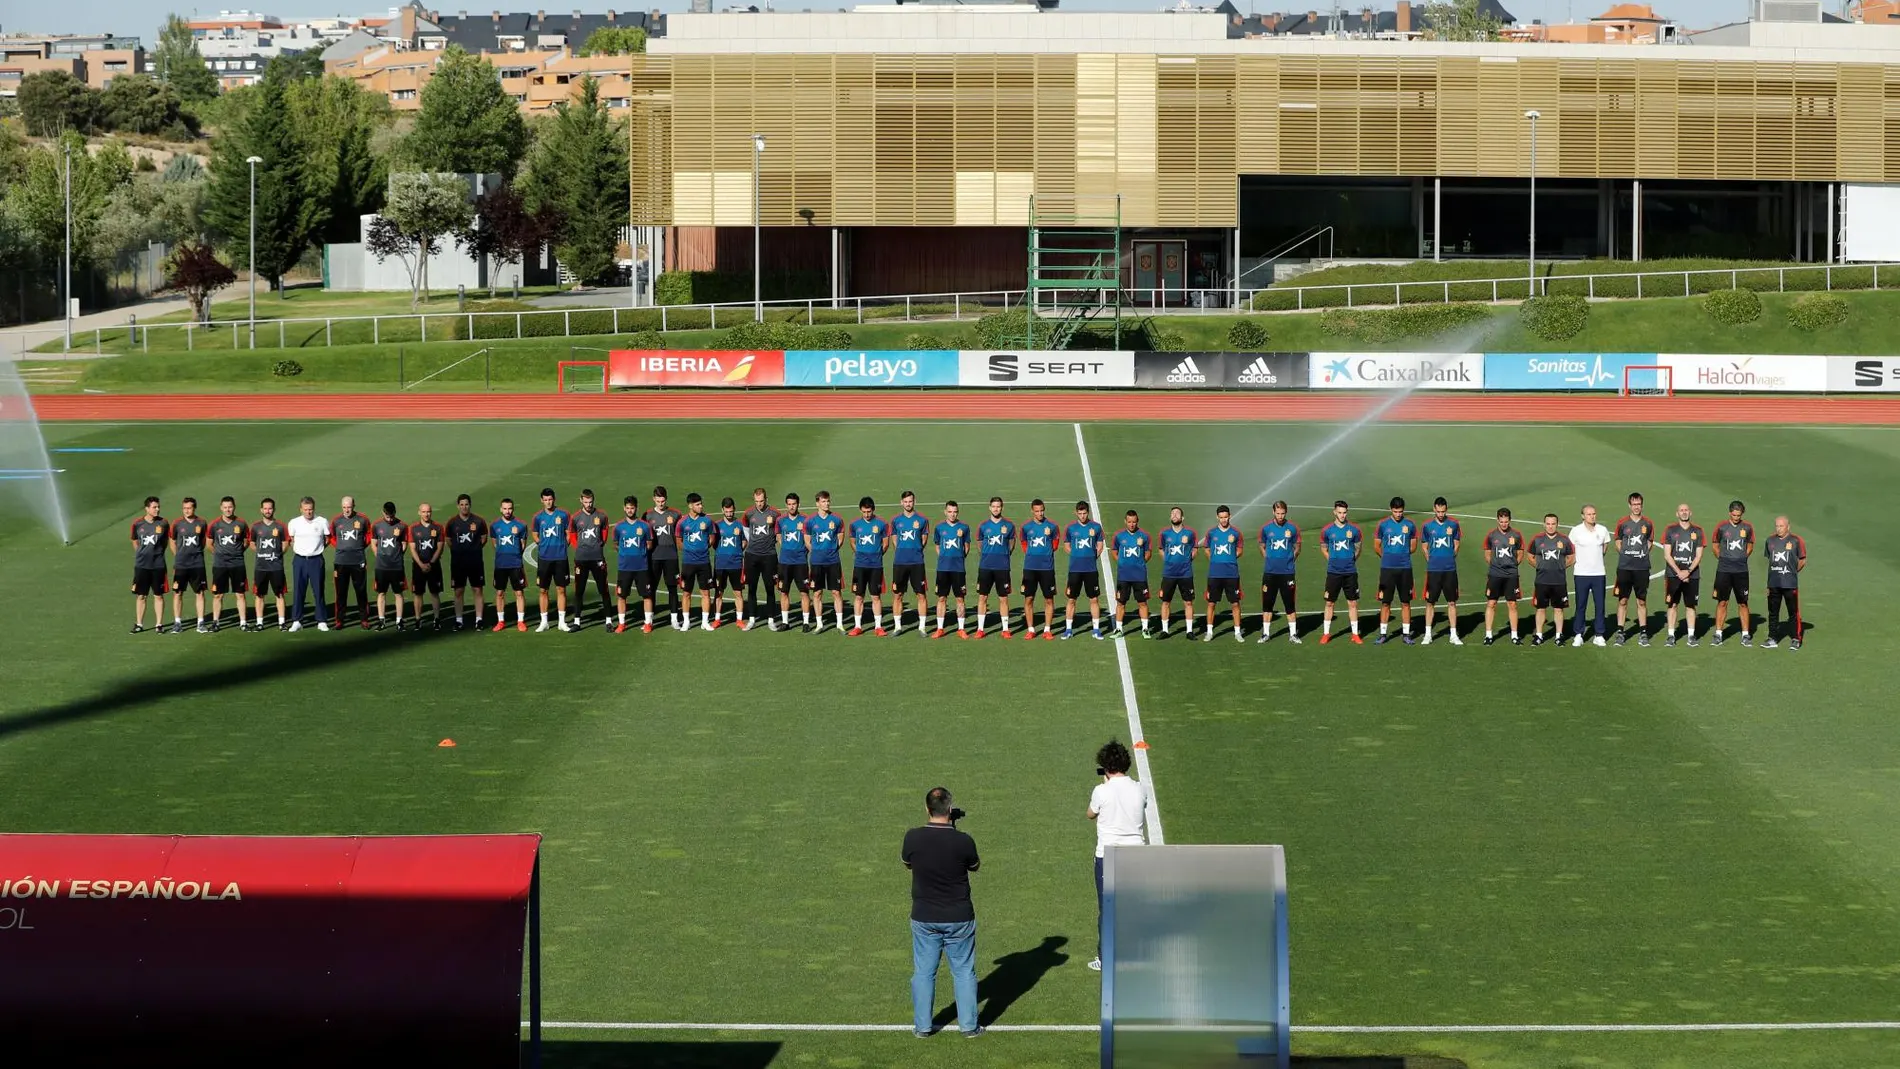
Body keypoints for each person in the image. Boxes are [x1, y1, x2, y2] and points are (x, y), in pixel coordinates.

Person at [902, 787, 982, 1039]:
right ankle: (968, 1026)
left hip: (924, 916)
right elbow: (974, 866)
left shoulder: (912, 838)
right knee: (963, 971)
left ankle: (923, 1027)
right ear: (950, 809)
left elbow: (907, 863)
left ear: (927, 809)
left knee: (924, 971)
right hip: (959, 916)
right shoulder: (964, 840)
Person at [1086, 739, 1150, 971]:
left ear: (1106, 767)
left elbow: (1090, 814)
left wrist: (1106, 785)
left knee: (1107, 907)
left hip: (1108, 856)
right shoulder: (1140, 788)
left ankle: (1105, 957)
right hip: (1136, 854)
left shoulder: (1101, 791)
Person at [1612, 492, 1656, 647]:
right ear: (1629, 505)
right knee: (1623, 600)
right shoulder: (1623, 522)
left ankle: (1643, 632)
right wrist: (1624, 553)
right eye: (1634, 504)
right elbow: (1617, 540)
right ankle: (1620, 632)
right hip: (1625, 567)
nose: (1636, 507)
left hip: (1642, 567)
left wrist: (1642, 554)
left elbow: (1650, 542)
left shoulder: (1648, 523)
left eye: (1639, 504)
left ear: (1642, 505)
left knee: (1641, 601)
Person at [1318, 501, 1363, 645]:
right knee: (1330, 603)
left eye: (1344, 512)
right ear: (1334, 512)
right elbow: (1324, 548)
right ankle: (1326, 634)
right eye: (1339, 512)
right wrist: (1331, 560)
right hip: (1333, 572)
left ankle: (1355, 634)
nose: (1342, 515)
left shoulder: (1354, 530)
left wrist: (1350, 560)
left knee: (1353, 603)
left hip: (1350, 572)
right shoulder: (1327, 530)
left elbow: (1358, 548)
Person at [1374, 496, 1418, 645]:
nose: (1398, 514)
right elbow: (1377, 546)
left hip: (1405, 569)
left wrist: (1402, 555)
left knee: (1406, 602)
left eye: (1400, 511)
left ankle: (1406, 634)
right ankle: (1383, 634)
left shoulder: (1410, 525)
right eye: (1395, 511)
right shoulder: (1383, 525)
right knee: (1385, 602)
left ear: (1403, 510)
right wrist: (1387, 557)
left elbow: (1413, 546)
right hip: (1387, 569)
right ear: (1390, 510)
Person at [1711, 500, 1755, 647]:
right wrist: (1723, 559)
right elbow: (1715, 545)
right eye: (1734, 515)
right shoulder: (1721, 527)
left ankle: (1745, 634)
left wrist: (1742, 558)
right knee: (1722, 602)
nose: (1736, 517)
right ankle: (1718, 634)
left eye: (1739, 515)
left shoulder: (1747, 527)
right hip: (1724, 570)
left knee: (1743, 602)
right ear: (1730, 513)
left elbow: (1750, 545)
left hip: (1741, 571)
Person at [1420, 497, 1462, 646]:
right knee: (1430, 602)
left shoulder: (1454, 524)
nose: (1441, 514)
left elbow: (1456, 544)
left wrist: (1450, 556)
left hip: (1450, 569)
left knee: (1452, 602)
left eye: (1443, 511)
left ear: (1446, 509)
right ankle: (1428, 634)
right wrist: (1430, 560)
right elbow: (1424, 546)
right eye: (1438, 511)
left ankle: (1453, 635)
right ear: (1434, 509)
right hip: (1433, 570)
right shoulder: (1427, 526)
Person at [1568, 504, 1612, 647]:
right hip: (1581, 574)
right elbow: (1571, 550)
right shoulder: (1576, 531)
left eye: (1593, 513)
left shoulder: (1602, 530)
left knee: (1600, 605)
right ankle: (1579, 634)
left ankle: (1599, 634)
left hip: (1598, 573)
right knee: (1581, 605)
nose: (1592, 516)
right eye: (1588, 514)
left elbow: (1604, 548)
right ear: (1583, 516)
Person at [286, 497, 332, 633]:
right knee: (299, 590)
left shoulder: (322, 521)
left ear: (314, 508)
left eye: (310, 509)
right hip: (299, 560)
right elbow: (292, 539)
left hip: (316, 560)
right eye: (305, 510)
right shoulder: (294, 523)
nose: (308, 512)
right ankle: (297, 620)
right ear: (301, 509)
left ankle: (322, 620)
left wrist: (316, 549)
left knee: (318, 590)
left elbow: (327, 538)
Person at [1662, 503, 1705, 648]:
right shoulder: (1670, 530)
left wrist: (1688, 571)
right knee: (1672, 604)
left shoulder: (1697, 531)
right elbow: (1667, 555)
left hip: (1692, 575)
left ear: (1690, 513)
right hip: (1673, 575)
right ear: (1677, 513)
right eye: (1681, 510)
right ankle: (1671, 635)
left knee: (1690, 605)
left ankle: (1691, 636)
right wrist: (1679, 572)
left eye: (1686, 510)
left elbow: (1699, 555)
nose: (1684, 512)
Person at [1258, 500, 1301, 644]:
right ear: (1273, 513)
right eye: (1278, 513)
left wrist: (1290, 559)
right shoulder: (1266, 528)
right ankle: (1265, 634)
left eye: (1282, 513)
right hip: (1270, 572)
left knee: (1289, 603)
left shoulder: (1293, 528)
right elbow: (1262, 545)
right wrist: (1268, 558)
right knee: (1268, 604)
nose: (1280, 516)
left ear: (1286, 512)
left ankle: (1293, 634)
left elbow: (1297, 547)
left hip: (1287, 572)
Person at [1063, 501, 1106, 640]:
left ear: (1088, 512)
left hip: (1090, 570)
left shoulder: (1096, 527)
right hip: (1075, 569)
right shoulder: (1070, 528)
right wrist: (1076, 555)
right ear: (1076, 513)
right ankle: (1068, 629)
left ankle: (1096, 629)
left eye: (1084, 513)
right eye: (1080, 513)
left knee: (1094, 599)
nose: (1082, 516)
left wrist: (1092, 557)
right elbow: (1066, 545)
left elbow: (1100, 545)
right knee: (1071, 599)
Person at [1529, 512, 1574, 647]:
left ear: (1557, 524)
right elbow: (1530, 556)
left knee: (1559, 609)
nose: (1550, 527)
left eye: (1553, 524)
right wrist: (1540, 566)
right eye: (1548, 524)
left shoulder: (1564, 540)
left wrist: (1561, 567)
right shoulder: (1537, 539)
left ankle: (1559, 635)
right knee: (1540, 608)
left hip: (1559, 580)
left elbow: (1571, 557)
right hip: (1541, 580)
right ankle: (1539, 635)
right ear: (1544, 524)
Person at [974, 496, 1016, 639]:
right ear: (989, 507)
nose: (996, 509)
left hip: (1002, 567)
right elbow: (979, 543)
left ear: (1001, 507)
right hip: (985, 566)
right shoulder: (983, 525)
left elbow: (1011, 543)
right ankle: (980, 629)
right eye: (994, 506)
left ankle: (1005, 629)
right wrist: (986, 554)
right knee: (982, 597)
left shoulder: (1009, 525)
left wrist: (1004, 554)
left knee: (1003, 597)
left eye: (998, 506)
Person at [891, 490, 931, 637]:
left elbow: (924, 540)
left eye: (910, 501)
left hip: (917, 563)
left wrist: (915, 550)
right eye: (905, 501)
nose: (908, 504)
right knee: (897, 594)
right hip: (900, 562)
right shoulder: (896, 520)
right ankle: (897, 627)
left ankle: (922, 627)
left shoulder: (922, 520)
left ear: (914, 502)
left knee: (921, 594)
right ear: (901, 502)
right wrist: (902, 550)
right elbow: (894, 539)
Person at [613, 496, 656, 633]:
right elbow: (615, 544)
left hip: (641, 567)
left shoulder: (644, 526)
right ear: (624, 508)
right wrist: (626, 553)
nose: (630, 510)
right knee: (621, 596)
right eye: (628, 508)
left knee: (647, 595)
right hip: (624, 567)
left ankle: (648, 623)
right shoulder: (619, 527)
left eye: (632, 508)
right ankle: (621, 623)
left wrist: (639, 553)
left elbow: (649, 544)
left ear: (636, 508)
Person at [1762, 515, 1805, 651]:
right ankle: (1772, 638)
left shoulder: (1796, 541)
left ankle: (1795, 639)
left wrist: (1791, 572)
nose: (1778, 529)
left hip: (1789, 583)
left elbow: (1802, 560)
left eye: (1781, 526)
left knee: (1793, 612)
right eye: (1777, 526)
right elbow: (1770, 560)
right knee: (1773, 612)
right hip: (1773, 583)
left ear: (1788, 527)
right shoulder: (1770, 540)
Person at [446, 493, 489, 631]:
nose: (464, 507)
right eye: (462, 504)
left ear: (470, 505)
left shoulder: (478, 521)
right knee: (458, 591)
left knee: (477, 589)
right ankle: (459, 620)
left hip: (475, 562)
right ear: (458, 506)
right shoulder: (452, 523)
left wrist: (473, 550)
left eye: (466, 504)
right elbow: (449, 541)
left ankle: (479, 620)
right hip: (458, 562)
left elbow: (483, 538)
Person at [1482, 508, 1525, 645]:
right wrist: (1496, 565)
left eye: (1506, 522)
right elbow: (1487, 553)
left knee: (1512, 604)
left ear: (1509, 520)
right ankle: (1488, 635)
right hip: (1495, 574)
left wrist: (1512, 565)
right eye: (1501, 522)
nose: (1504, 524)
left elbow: (1520, 552)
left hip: (1511, 575)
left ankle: (1514, 635)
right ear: (1497, 520)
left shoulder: (1516, 535)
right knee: (1491, 603)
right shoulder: (1491, 535)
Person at [849, 496, 891, 636]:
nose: (867, 514)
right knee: (859, 596)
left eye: (869, 511)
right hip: (860, 565)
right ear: (860, 510)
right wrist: (861, 554)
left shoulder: (882, 524)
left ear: (873, 509)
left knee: (875, 596)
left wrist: (877, 555)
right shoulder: (855, 524)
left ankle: (878, 627)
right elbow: (853, 542)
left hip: (876, 566)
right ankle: (857, 626)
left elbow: (885, 544)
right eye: (864, 511)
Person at [208, 496, 251, 633]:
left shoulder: (241, 523)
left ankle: (243, 622)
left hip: (237, 563)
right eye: (225, 507)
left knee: (240, 594)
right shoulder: (215, 524)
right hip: (220, 564)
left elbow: (246, 541)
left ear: (234, 507)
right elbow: (209, 543)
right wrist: (219, 554)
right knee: (218, 595)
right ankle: (216, 622)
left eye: (230, 507)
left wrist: (237, 552)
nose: (228, 509)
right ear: (221, 508)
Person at [570, 489, 612, 629]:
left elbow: (604, 534)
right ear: (581, 500)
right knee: (579, 590)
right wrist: (580, 548)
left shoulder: (601, 516)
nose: (588, 504)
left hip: (597, 558)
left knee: (603, 589)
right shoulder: (575, 517)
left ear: (593, 500)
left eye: (590, 501)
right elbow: (573, 536)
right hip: (581, 559)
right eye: (586, 501)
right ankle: (577, 621)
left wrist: (597, 546)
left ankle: (608, 620)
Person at [1202, 506, 1244, 643]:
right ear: (1217, 517)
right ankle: (1209, 632)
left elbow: (1239, 549)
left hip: (1232, 574)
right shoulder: (1211, 533)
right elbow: (1206, 549)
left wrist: (1231, 558)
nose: (1224, 519)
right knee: (1211, 603)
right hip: (1214, 574)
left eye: (1226, 517)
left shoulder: (1236, 533)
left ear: (1229, 516)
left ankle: (1237, 632)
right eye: (1221, 517)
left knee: (1235, 603)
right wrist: (1214, 560)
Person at [645, 486, 685, 630]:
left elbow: (681, 533)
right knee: (652, 588)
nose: (661, 503)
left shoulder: (675, 514)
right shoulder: (647, 515)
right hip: (654, 557)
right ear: (653, 499)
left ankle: (674, 619)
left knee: (672, 588)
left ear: (666, 499)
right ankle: (650, 620)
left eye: (663, 501)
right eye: (658, 500)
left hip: (671, 557)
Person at [1020, 499, 1061, 640]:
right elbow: (1023, 542)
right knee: (1029, 598)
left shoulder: (1052, 526)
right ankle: (1031, 629)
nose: (1040, 513)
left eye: (1042, 510)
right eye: (1037, 511)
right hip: (1030, 568)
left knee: (1049, 599)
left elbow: (1055, 544)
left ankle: (1047, 629)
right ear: (1032, 511)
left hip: (1047, 568)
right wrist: (1031, 553)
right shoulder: (1026, 527)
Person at [532, 488, 572, 633]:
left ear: (554, 499)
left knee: (561, 589)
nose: (548, 502)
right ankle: (544, 622)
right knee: (543, 590)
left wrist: (564, 545)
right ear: (542, 500)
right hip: (544, 558)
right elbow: (535, 533)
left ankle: (562, 622)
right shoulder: (538, 517)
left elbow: (569, 532)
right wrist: (541, 544)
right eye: (545, 500)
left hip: (560, 557)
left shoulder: (563, 514)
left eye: (550, 499)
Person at [807, 491, 847, 633]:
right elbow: (807, 540)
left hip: (833, 561)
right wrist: (816, 551)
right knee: (817, 593)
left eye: (828, 501)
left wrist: (832, 550)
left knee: (836, 592)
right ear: (817, 503)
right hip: (817, 562)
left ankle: (840, 624)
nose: (826, 504)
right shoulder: (810, 521)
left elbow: (841, 538)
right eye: (823, 501)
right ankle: (819, 624)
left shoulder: (836, 519)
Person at [169, 496, 209, 633]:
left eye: (189, 508)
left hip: (197, 563)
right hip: (181, 564)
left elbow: (203, 541)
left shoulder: (202, 523)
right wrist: (179, 555)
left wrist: (196, 553)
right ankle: (177, 623)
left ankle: (201, 623)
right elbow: (172, 541)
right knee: (178, 593)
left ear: (194, 508)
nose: (186, 511)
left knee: (200, 592)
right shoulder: (177, 523)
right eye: (184, 508)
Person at [741, 488, 780, 631]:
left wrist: (771, 541)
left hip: (769, 556)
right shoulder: (748, 513)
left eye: (762, 501)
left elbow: (779, 531)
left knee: (770, 588)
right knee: (752, 588)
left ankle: (771, 620)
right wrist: (752, 543)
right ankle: (751, 619)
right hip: (752, 555)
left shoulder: (775, 513)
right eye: (757, 501)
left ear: (766, 499)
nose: (759, 504)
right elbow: (745, 528)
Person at [130, 495, 169, 634]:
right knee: (141, 595)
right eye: (154, 507)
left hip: (158, 565)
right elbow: (134, 540)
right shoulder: (137, 524)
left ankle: (159, 624)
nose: (157, 509)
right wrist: (142, 553)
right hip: (142, 565)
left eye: (158, 507)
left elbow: (165, 542)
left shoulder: (163, 523)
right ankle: (139, 624)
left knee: (158, 595)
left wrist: (156, 553)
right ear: (147, 508)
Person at [931, 501, 971, 638]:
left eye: (955, 512)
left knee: (960, 598)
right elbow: (937, 545)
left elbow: (966, 546)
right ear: (945, 512)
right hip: (943, 568)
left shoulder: (964, 527)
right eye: (950, 511)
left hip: (958, 569)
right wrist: (944, 557)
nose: (952, 514)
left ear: (957, 512)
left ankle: (961, 628)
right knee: (942, 598)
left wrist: (958, 558)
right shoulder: (939, 528)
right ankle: (940, 628)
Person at [330, 495, 371, 630]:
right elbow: (331, 537)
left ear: (354, 506)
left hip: (358, 561)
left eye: (349, 507)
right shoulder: (336, 521)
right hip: (341, 562)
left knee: (361, 591)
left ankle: (364, 619)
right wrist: (342, 547)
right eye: (344, 507)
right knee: (341, 592)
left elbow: (369, 535)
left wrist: (359, 546)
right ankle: (339, 620)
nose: (346, 510)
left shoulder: (363, 519)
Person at [678, 493, 717, 631]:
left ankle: (705, 622)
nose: (701, 506)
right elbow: (679, 541)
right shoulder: (682, 522)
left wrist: (705, 547)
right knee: (686, 593)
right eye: (697, 504)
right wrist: (689, 550)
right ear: (690, 505)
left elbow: (712, 537)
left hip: (704, 562)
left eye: (701, 504)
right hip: (688, 563)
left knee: (705, 592)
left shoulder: (707, 520)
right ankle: (687, 621)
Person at [1156, 507, 1197, 638]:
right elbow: (1161, 549)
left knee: (1188, 602)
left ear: (1182, 518)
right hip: (1169, 573)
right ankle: (1165, 630)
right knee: (1165, 602)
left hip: (1186, 573)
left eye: (1177, 513)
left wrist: (1187, 560)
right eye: (1172, 513)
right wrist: (1168, 560)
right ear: (1170, 517)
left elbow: (1195, 549)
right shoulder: (1164, 533)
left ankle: (1189, 631)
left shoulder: (1190, 533)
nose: (1174, 515)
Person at [491, 498, 530, 632]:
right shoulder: (495, 525)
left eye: (510, 508)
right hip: (501, 564)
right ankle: (500, 621)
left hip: (515, 564)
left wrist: (514, 552)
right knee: (500, 592)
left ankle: (521, 621)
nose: (507, 511)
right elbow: (494, 543)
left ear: (513, 509)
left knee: (519, 592)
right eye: (505, 508)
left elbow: (523, 545)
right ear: (501, 509)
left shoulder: (521, 525)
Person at [776, 492, 813, 632]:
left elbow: (810, 538)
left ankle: (805, 622)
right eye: (789, 504)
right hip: (784, 562)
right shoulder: (780, 520)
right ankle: (785, 622)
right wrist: (785, 547)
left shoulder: (805, 520)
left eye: (794, 504)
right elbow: (778, 536)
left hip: (800, 562)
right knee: (784, 592)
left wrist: (803, 551)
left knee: (804, 592)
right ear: (786, 505)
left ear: (798, 504)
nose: (792, 507)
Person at [1112, 509, 1152, 638]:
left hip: (1139, 576)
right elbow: (1114, 551)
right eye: (1129, 522)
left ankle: (1145, 629)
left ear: (1137, 521)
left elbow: (1148, 553)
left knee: (1142, 602)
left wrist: (1139, 562)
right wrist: (1122, 562)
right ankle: (1118, 629)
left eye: (1134, 522)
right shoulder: (1119, 536)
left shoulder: (1144, 536)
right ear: (1125, 521)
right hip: (1123, 576)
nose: (1131, 524)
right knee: (1120, 603)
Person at [250, 498, 289, 631]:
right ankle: (260, 622)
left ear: (274, 509)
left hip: (276, 566)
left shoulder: (280, 526)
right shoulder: (255, 526)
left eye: (270, 508)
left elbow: (285, 544)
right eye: (265, 508)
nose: (267, 511)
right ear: (261, 510)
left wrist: (276, 554)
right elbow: (252, 543)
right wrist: (262, 553)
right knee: (259, 595)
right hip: (261, 566)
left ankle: (282, 622)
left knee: (279, 594)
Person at [408, 502, 446, 630]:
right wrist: (421, 564)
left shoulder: (438, 527)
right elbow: (412, 548)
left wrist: (430, 563)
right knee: (418, 593)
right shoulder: (413, 528)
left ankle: (436, 619)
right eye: (423, 512)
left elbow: (440, 547)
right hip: (418, 566)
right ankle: (418, 619)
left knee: (434, 593)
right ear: (419, 512)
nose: (426, 514)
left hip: (433, 566)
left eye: (428, 511)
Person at [714, 497, 747, 629]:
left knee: (738, 593)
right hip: (720, 564)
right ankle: (717, 619)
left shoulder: (739, 525)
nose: (729, 514)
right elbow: (713, 542)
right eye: (727, 511)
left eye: (731, 511)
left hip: (736, 564)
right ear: (722, 510)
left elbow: (745, 541)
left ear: (734, 509)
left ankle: (739, 619)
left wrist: (738, 549)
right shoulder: (717, 525)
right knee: (719, 592)